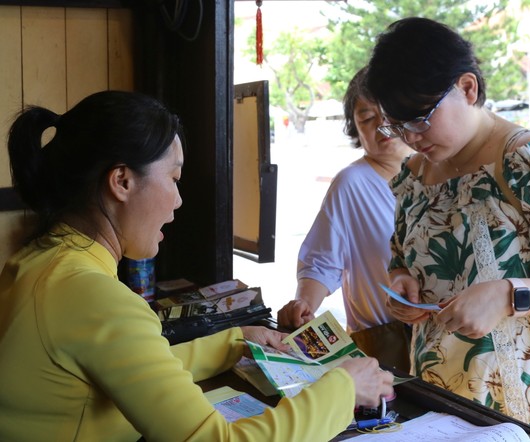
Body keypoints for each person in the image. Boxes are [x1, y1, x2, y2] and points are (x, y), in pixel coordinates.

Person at [0, 90, 394, 442]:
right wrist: (343, 388)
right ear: (121, 181)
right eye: (173, 178)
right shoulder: (94, 296)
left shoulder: (37, 261)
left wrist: (234, 343)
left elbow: (137, 372)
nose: (178, 201)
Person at [364, 17, 530, 441]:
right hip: (439, 389)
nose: (412, 137)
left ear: (467, 88)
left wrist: (508, 295)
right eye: (399, 125)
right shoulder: (413, 175)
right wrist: (402, 281)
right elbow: (402, 254)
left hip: (527, 396)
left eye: (422, 118)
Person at [277, 68, 414, 371]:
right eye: (367, 118)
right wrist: (304, 304)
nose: (382, 125)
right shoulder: (352, 183)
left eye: (390, 113)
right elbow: (322, 261)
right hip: (384, 344)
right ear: (356, 129)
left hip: (444, 339)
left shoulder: (442, 176)